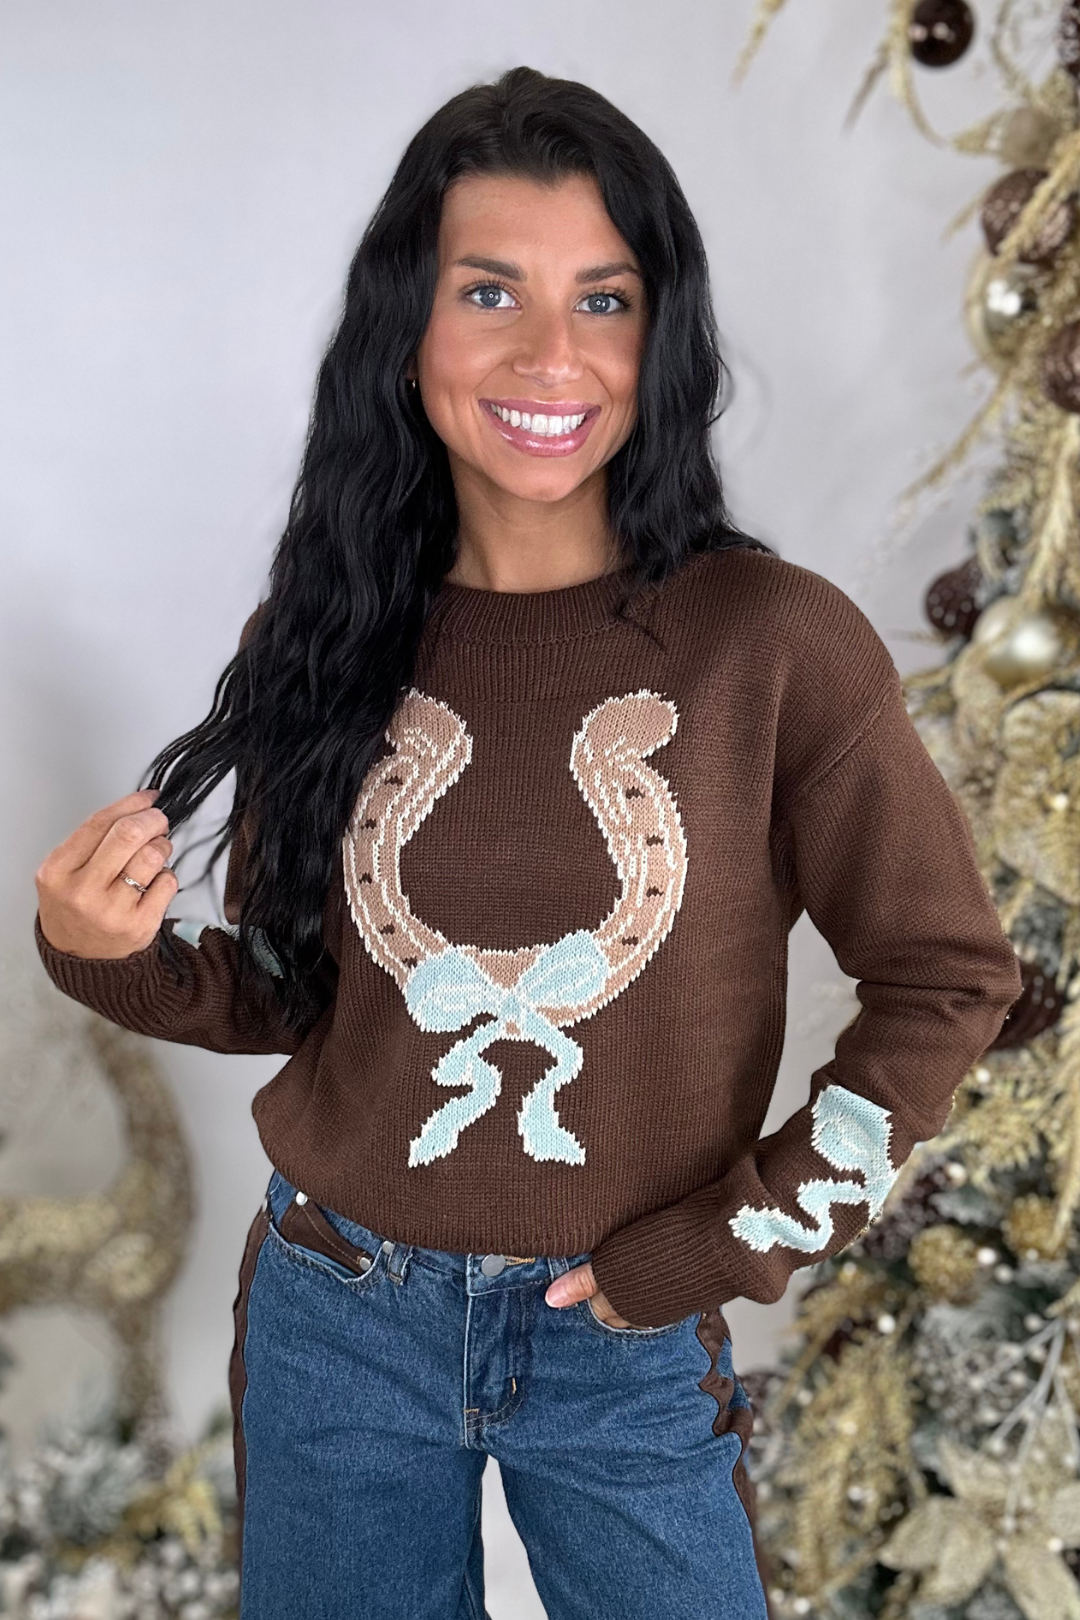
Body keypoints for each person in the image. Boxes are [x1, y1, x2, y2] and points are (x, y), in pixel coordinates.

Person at [33, 64, 1022, 1620]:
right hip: (339, 1315)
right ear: (407, 330)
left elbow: (948, 980)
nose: (553, 353)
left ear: (661, 332)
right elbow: (304, 991)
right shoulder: (327, 635)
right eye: (490, 290)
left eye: (606, 299)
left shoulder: (770, 645)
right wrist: (113, 961)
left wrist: (726, 1240)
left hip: (627, 1341)